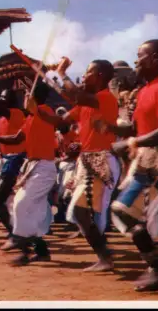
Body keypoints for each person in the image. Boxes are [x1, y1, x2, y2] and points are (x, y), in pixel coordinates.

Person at [93, 39, 158, 291]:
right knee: (122, 211)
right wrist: (112, 127)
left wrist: (128, 143)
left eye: (140, 56)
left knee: (129, 213)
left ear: (155, 58)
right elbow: (136, 128)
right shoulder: (145, 90)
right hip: (147, 158)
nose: (136, 61)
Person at [58, 59, 121, 271]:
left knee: (81, 211)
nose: (84, 77)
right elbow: (60, 121)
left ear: (101, 76)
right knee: (83, 213)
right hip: (87, 161)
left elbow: (74, 94)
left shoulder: (105, 98)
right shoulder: (86, 103)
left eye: (88, 72)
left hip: (99, 160)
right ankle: (105, 257)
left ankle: (105, 257)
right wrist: (35, 107)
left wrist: (61, 73)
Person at [0, 82, 58, 265]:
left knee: (20, 204)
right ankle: (41, 251)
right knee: (24, 208)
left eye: (29, 93)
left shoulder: (46, 111)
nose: (25, 96)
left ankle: (23, 248)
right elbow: (16, 139)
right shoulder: (30, 118)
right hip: (33, 167)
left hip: (44, 168)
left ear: (36, 97)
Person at [0, 88, 27, 250]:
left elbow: (11, 140)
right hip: (6, 161)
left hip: (17, 160)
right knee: (5, 201)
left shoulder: (15, 113)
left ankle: (16, 235)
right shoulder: (2, 119)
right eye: (0, 98)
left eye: (4, 98)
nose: (1, 101)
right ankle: (16, 233)